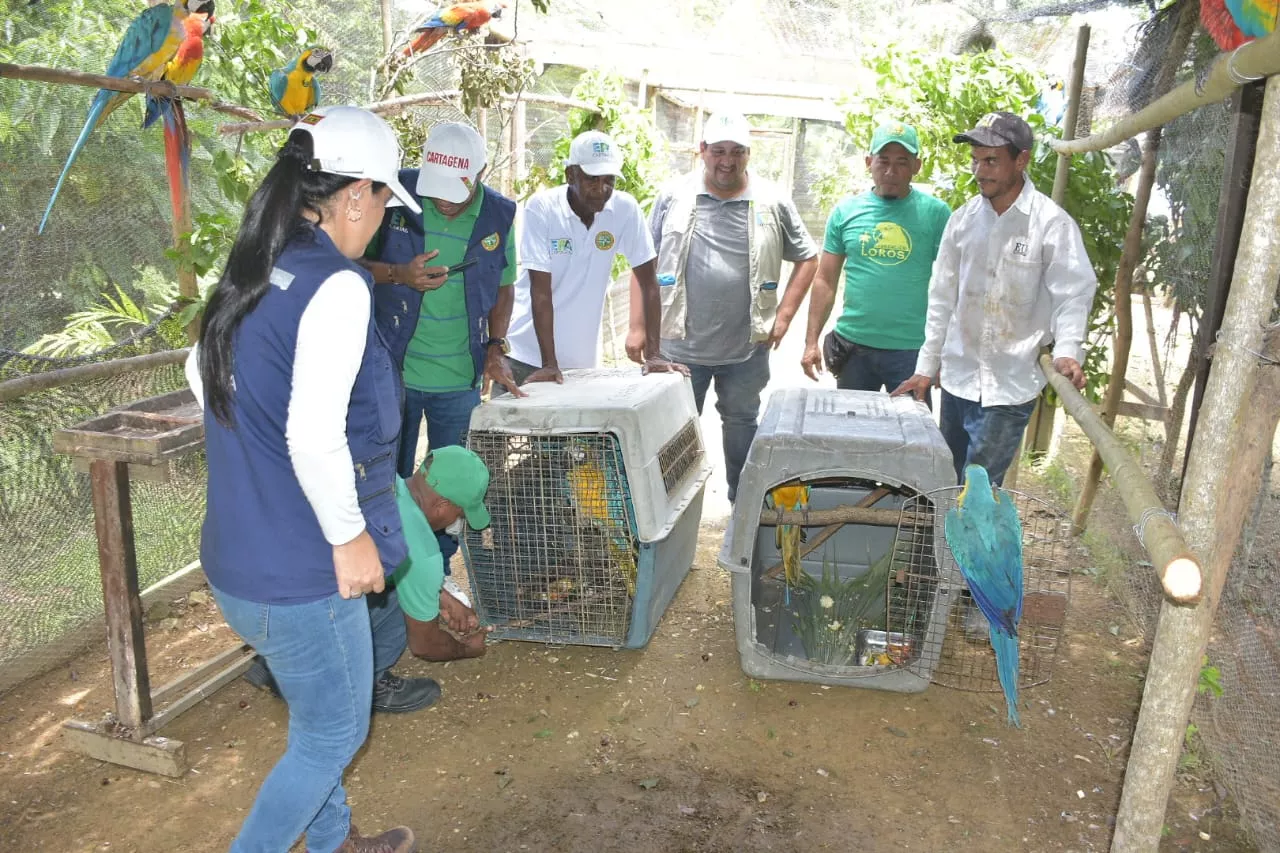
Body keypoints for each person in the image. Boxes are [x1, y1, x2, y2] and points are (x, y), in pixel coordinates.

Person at [185, 105, 423, 853]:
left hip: (233, 559)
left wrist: (256, 450)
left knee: (316, 713)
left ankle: (336, 844)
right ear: (355, 195)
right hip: (298, 572)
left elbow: (196, 371)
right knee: (333, 732)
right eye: (384, 200)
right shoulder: (339, 285)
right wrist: (350, 537)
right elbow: (313, 436)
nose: (384, 220)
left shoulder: (261, 261)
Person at [891, 111, 1098, 486]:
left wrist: (1068, 350)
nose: (980, 171)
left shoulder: (1050, 224)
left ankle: (965, 545)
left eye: (991, 161)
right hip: (958, 378)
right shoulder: (963, 221)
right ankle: (941, 546)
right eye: (975, 161)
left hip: (1009, 385)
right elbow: (941, 299)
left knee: (978, 493)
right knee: (946, 482)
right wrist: (926, 367)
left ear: (1022, 160)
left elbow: (1074, 292)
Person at [358, 120, 519, 569]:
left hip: (458, 379)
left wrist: (495, 345)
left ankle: (439, 568)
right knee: (386, 477)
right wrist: (399, 275)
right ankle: (389, 567)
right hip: (393, 372)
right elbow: (347, 263)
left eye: (456, 190)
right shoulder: (395, 193)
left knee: (449, 490)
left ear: (481, 174)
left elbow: (504, 286)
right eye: (437, 188)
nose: (444, 200)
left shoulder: (499, 217)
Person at [640, 111, 818, 502]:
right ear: (701, 151)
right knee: (672, 435)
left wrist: (784, 317)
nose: (727, 160)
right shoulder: (673, 196)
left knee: (742, 426)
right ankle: (672, 512)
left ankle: (743, 507)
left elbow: (808, 257)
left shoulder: (771, 201)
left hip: (745, 351)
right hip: (678, 349)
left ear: (748, 154)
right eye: (718, 150)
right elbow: (644, 263)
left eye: (737, 151)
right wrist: (639, 327)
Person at [505, 130, 683, 384]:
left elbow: (649, 283)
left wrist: (654, 354)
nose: (601, 189)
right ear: (570, 175)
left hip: (581, 362)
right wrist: (549, 364)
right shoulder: (542, 208)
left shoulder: (624, 209)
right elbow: (540, 291)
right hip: (526, 355)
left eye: (609, 180)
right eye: (592, 179)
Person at [800, 121, 951, 403]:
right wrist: (811, 341)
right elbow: (824, 280)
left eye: (902, 162)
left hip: (911, 351)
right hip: (854, 349)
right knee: (851, 432)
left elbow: (953, 284)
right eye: (883, 161)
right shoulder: (846, 212)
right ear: (869, 162)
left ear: (917, 166)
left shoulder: (937, 214)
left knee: (911, 437)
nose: (891, 172)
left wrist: (943, 352)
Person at [393, 446, 494, 661]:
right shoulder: (424, 552)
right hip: (321, 603)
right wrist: (467, 650)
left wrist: (442, 598)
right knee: (394, 620)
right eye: (460, 513)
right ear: (442, 505)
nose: (458, 522)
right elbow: (424, 646)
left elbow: (403, 569)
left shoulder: (387, 480)